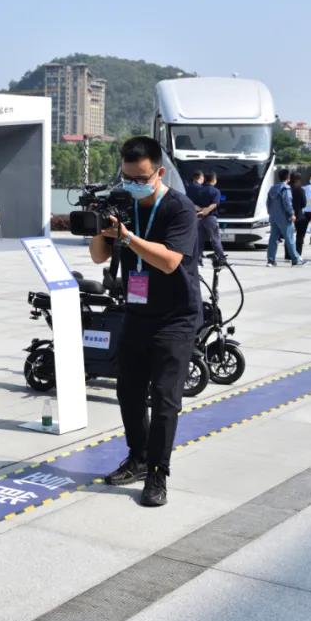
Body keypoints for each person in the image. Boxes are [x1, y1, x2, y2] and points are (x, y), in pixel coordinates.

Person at [90, 137, 202, 508]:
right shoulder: (123, 205)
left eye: (140, 178)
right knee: (129, 393)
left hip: (176, 318)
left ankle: (158, 473)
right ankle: (138, 457)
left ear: (159, 173)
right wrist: (104, 229)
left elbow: (170, 261)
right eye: (126, 177)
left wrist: (129, 237)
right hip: (136, 312)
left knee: (166, 398)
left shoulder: (180, 209)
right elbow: (96, 256)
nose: (133, 184)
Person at [265, 168, 307, 267]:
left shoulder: (273, 188)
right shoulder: (286, 189)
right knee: (290, 238)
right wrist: (292, 214)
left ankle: (271, 260)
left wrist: (270, 212)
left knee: (273, 239)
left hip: (273, 217)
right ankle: (296, 259)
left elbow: (268, 202)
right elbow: (287, 203)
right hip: (284, 217)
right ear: (288, 178)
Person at [197, 172, 226, 264]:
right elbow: (214, 204)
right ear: (214, 180)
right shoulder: (215, 191)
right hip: (210, 217)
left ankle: (198, 260)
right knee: (215, 238)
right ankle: (221, 257)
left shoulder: (199, 190)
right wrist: (207, 210)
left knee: (199, 240)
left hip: (199, 217)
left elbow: (193, 203)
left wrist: (200, 210)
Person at [286, 172, 309, 259]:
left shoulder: (286, 189)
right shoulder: (300, 190)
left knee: (288, 235)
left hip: (287, 215)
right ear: (298, 180)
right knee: (300, 236)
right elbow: (304, 204)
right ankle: (298, 254)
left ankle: (288, 255)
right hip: (298, 215)